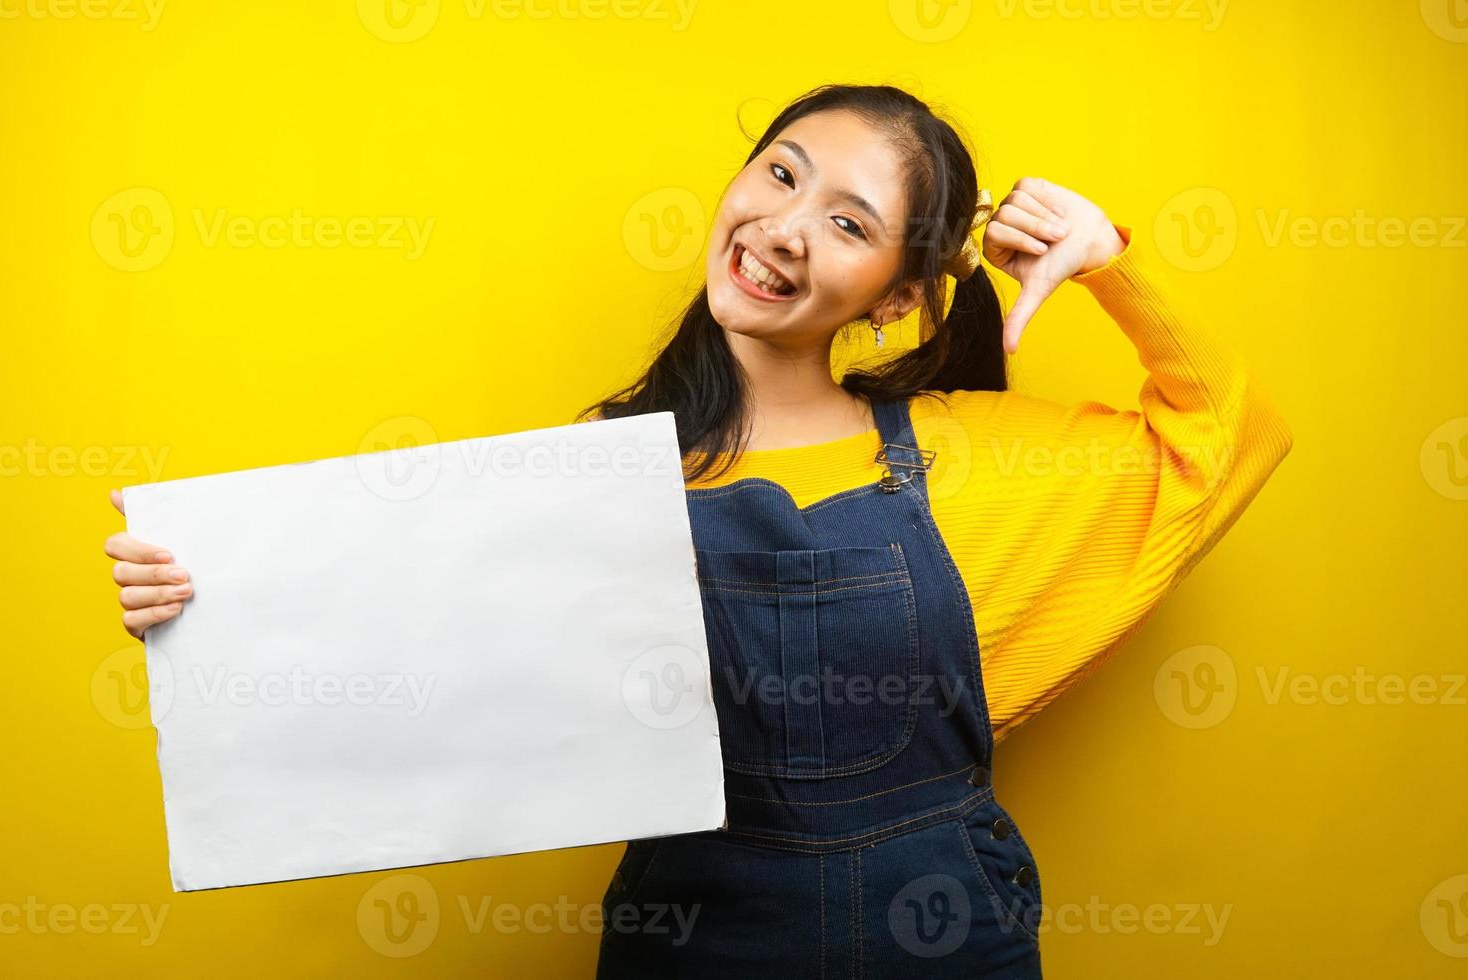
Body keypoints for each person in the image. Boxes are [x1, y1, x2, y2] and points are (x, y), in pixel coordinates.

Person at [104, 83, 1292, 978]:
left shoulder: (973, 455)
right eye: (779, 174)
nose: (783, 227)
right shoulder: (599, 472)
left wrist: (1109, 266)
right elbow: (410, 668)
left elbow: (1227, 437)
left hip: (941, 930)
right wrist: (209, 605)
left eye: (845, 221)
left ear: (898, 295)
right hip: (695, 937)